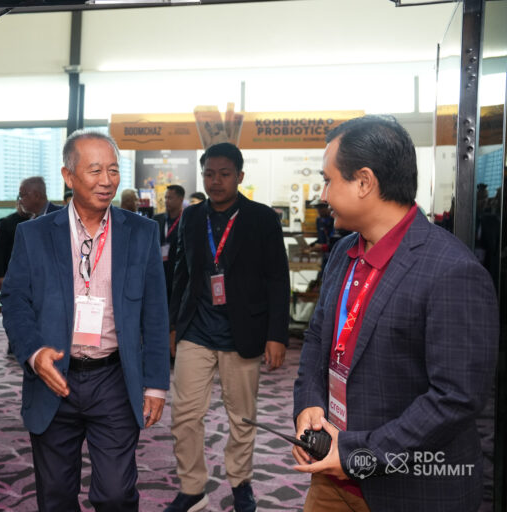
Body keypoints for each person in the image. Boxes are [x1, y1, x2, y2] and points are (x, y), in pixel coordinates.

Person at [292, 115, 499, 512]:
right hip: (331, 479)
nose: (323, 194)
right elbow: (318, 339)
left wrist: (358, 454)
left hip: (410, 490)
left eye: (328, 180)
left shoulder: (452, 271)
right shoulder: (344, 252)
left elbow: (454, 398)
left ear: (364, 182)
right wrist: (309, 404)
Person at [0, 130, 170, 511]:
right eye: (95, 170)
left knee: (116, 494)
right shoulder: (33, 235)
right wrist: (34, 353)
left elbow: (156, 313)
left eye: (113, 170)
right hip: (54, 379)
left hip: (114, 378)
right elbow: (14, 301)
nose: (107, 180)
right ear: (68, 176)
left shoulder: (141, 233)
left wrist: (157, 384)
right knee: (56, 495)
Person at [166, 142, 290, 512]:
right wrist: (172, 325)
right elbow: (181, 274)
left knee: (242, 417)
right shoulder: (191, 217)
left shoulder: (261, 218)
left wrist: (276, 335)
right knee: (185, 415)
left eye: (224, 174)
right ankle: (192, 487)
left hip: (243, 332)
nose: (215, 181)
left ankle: (240, 482)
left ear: (239, 176)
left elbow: (277, 279)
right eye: (209, 174)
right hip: (195, 330)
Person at [0, 196, 31, 291]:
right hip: (11, 271)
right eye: (22, 203)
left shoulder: (38, 220)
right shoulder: (6, 222)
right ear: (17, 204)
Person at [153, 184, 185, 304]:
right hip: (158, 270)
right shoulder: (157, 219)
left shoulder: (186, 220)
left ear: (180, 199)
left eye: (170, 198)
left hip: (177, 272)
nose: (166, 201)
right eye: (165, 197)